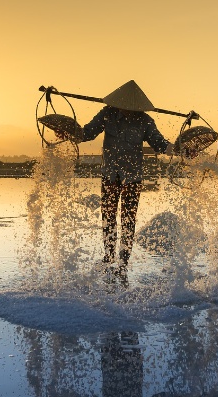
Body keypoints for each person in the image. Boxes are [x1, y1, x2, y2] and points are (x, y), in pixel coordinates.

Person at [82, 80, 175, 268]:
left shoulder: (145, 121)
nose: (127, 111)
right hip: (110, 175)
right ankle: (108, 257)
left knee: (128, 219)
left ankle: (123, 261)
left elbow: (159, 143)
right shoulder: (107, 113)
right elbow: (87, 133)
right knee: (108, 217)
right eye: (124, 107)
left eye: (130, 108)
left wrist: (176, 149)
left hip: (133, 178)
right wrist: (69, 132)